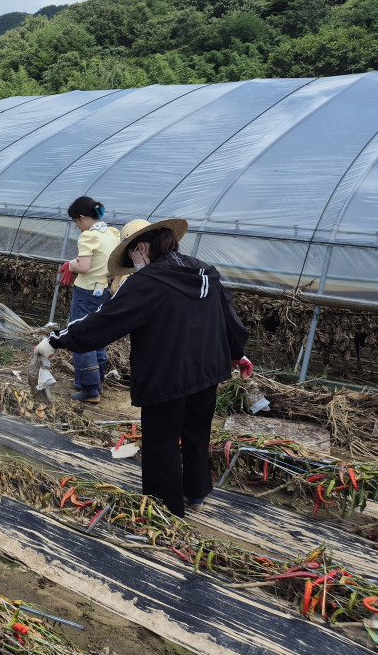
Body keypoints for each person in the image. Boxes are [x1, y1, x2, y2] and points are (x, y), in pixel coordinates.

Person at [35, 218, 251, 518]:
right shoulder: (204, 271)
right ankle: (196, 493)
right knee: (197, 434)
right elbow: (227, 315)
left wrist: (56, 340)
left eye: (132, 258)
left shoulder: (147, 283)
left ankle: (165, 512)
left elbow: (104, 320)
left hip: (167, 375)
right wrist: (237, 352)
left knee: (161, 443)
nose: (133, 264)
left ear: (141, 249)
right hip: (207, 371)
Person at [59, 196, 120, 403]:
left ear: (83, 217)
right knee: (97, 335)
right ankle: (96, 382)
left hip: (86, 293)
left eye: (75, 221)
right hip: (103, 292)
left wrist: (71, 265)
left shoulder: (88, 236)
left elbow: (84, 267)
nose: (76, 226)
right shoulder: (111, 234)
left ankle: (89, 389)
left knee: (80, 336)